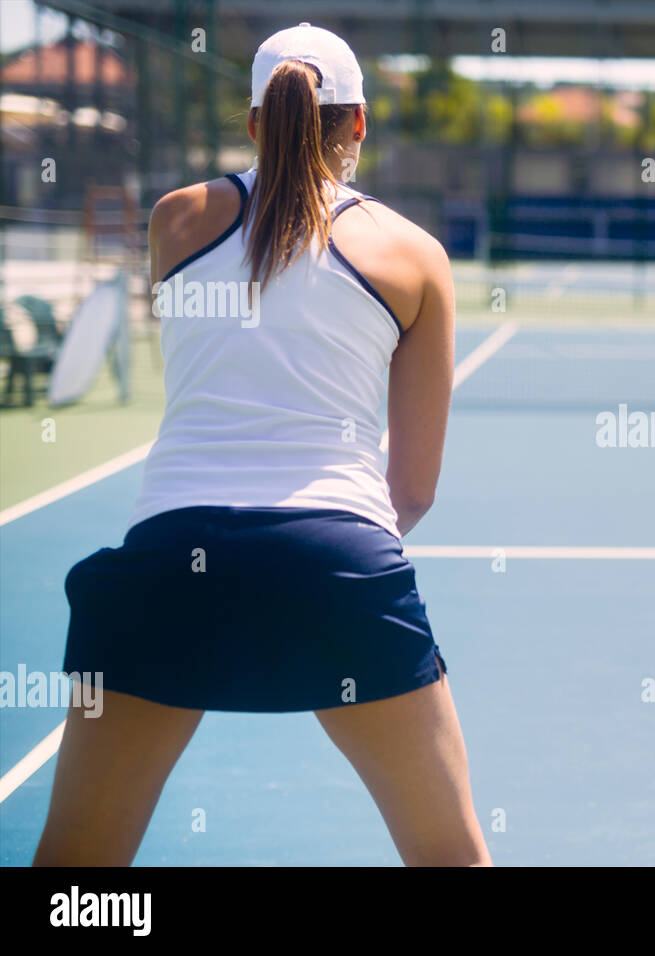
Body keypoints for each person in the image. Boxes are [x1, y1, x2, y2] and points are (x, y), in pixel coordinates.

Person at [34, 23, 490, 867]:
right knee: (449, 859)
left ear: (253, 123)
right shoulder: (416, 257)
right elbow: (413, 490)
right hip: (337, 561)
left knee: (75, 874)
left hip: (166, 563)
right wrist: (317, 576)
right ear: (358, 125)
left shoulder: (174, 221)